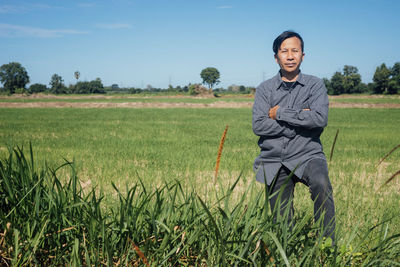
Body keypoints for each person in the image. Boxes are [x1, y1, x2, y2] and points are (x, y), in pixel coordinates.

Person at [252, 30, 335, 241]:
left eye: (295, 51)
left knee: (321, 184)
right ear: (276, 56)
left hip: (308, 154)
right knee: (282, 225)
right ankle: (289, 254)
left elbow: (319, 119)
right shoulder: (264, 89)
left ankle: (326, 246)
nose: (290, 56)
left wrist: (279, 113)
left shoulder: (315, 85)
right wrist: (300, 121)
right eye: (284, 51)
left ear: (303, 55)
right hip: (274, 159)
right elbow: (259, 125)